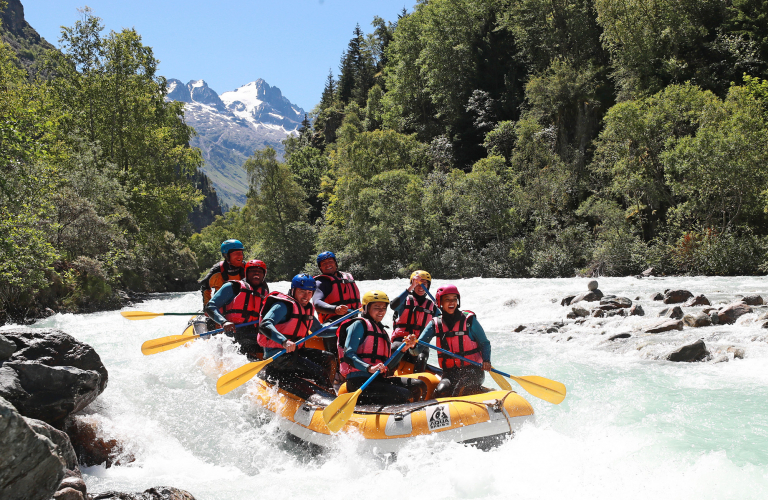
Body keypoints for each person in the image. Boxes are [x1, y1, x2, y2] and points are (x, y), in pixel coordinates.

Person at [338, 290, 426, 405]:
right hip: (359, 382)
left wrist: (404, 349)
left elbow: (388, 366)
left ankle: (416, 416)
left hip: (378, 380)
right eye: (376, 307)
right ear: (365, 308)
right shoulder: (359, 325)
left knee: (419, 386)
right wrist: (369, 368)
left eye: (384, 308)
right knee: (404, 394)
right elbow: (348, 354)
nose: (381, 311)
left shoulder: (382, 330)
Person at [257, 274, 337, 392]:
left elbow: (320, 331)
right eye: (302, 291)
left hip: (295, 352)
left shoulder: (306, 309)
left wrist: (343, 328)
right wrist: (284, 341)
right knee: (319, 372)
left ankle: (323, 390)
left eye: (310, 293)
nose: (306, 296)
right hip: (277, 356)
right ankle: (327, 397)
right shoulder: (283, 305)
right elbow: (264, 325)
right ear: (293, 290)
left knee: (329, 358)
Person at [416, 284, 491, 398]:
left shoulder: (469, 321)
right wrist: (411, 344)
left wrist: (486, 360)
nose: (452, 303)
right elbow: (416, 350)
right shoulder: (435, 324)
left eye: (454, 299)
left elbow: (484, 343)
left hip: (473, 371)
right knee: (440, 392)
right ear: (440, 302)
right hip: (450, 373)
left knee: (459, 390)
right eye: (447, 300)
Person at [205, 259, 269, 360]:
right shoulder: (233, 287)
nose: (256, 274)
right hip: (232, 335)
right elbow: (210, 307)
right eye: (253, 271)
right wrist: (224, 322)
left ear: (263, 275)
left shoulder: (264, 294)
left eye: (260, 272)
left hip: (253, 336)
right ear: (246, 273)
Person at [390, 270, 439, 374]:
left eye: (424, 284)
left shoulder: (432, 306)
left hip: (419, 342)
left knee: (422, 356)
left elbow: (443, 322)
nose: (421, 287)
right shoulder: (404, 300)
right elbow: (393, 306)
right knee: (394, 348)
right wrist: (411, 287)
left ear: (428, 286)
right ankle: (387, 376)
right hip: (401, 340)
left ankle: (416, 383)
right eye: (417, 284)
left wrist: (442, 306)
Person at [200, 239, 246, 329]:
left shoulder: (246, 268)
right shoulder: (217, 271)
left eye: (241, 253)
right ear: (226, 255)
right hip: (221, 307)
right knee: (213, 325)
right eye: (236, 253)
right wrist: (206, 306)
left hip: (241, 307)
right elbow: (205, 287)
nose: (240, 256)